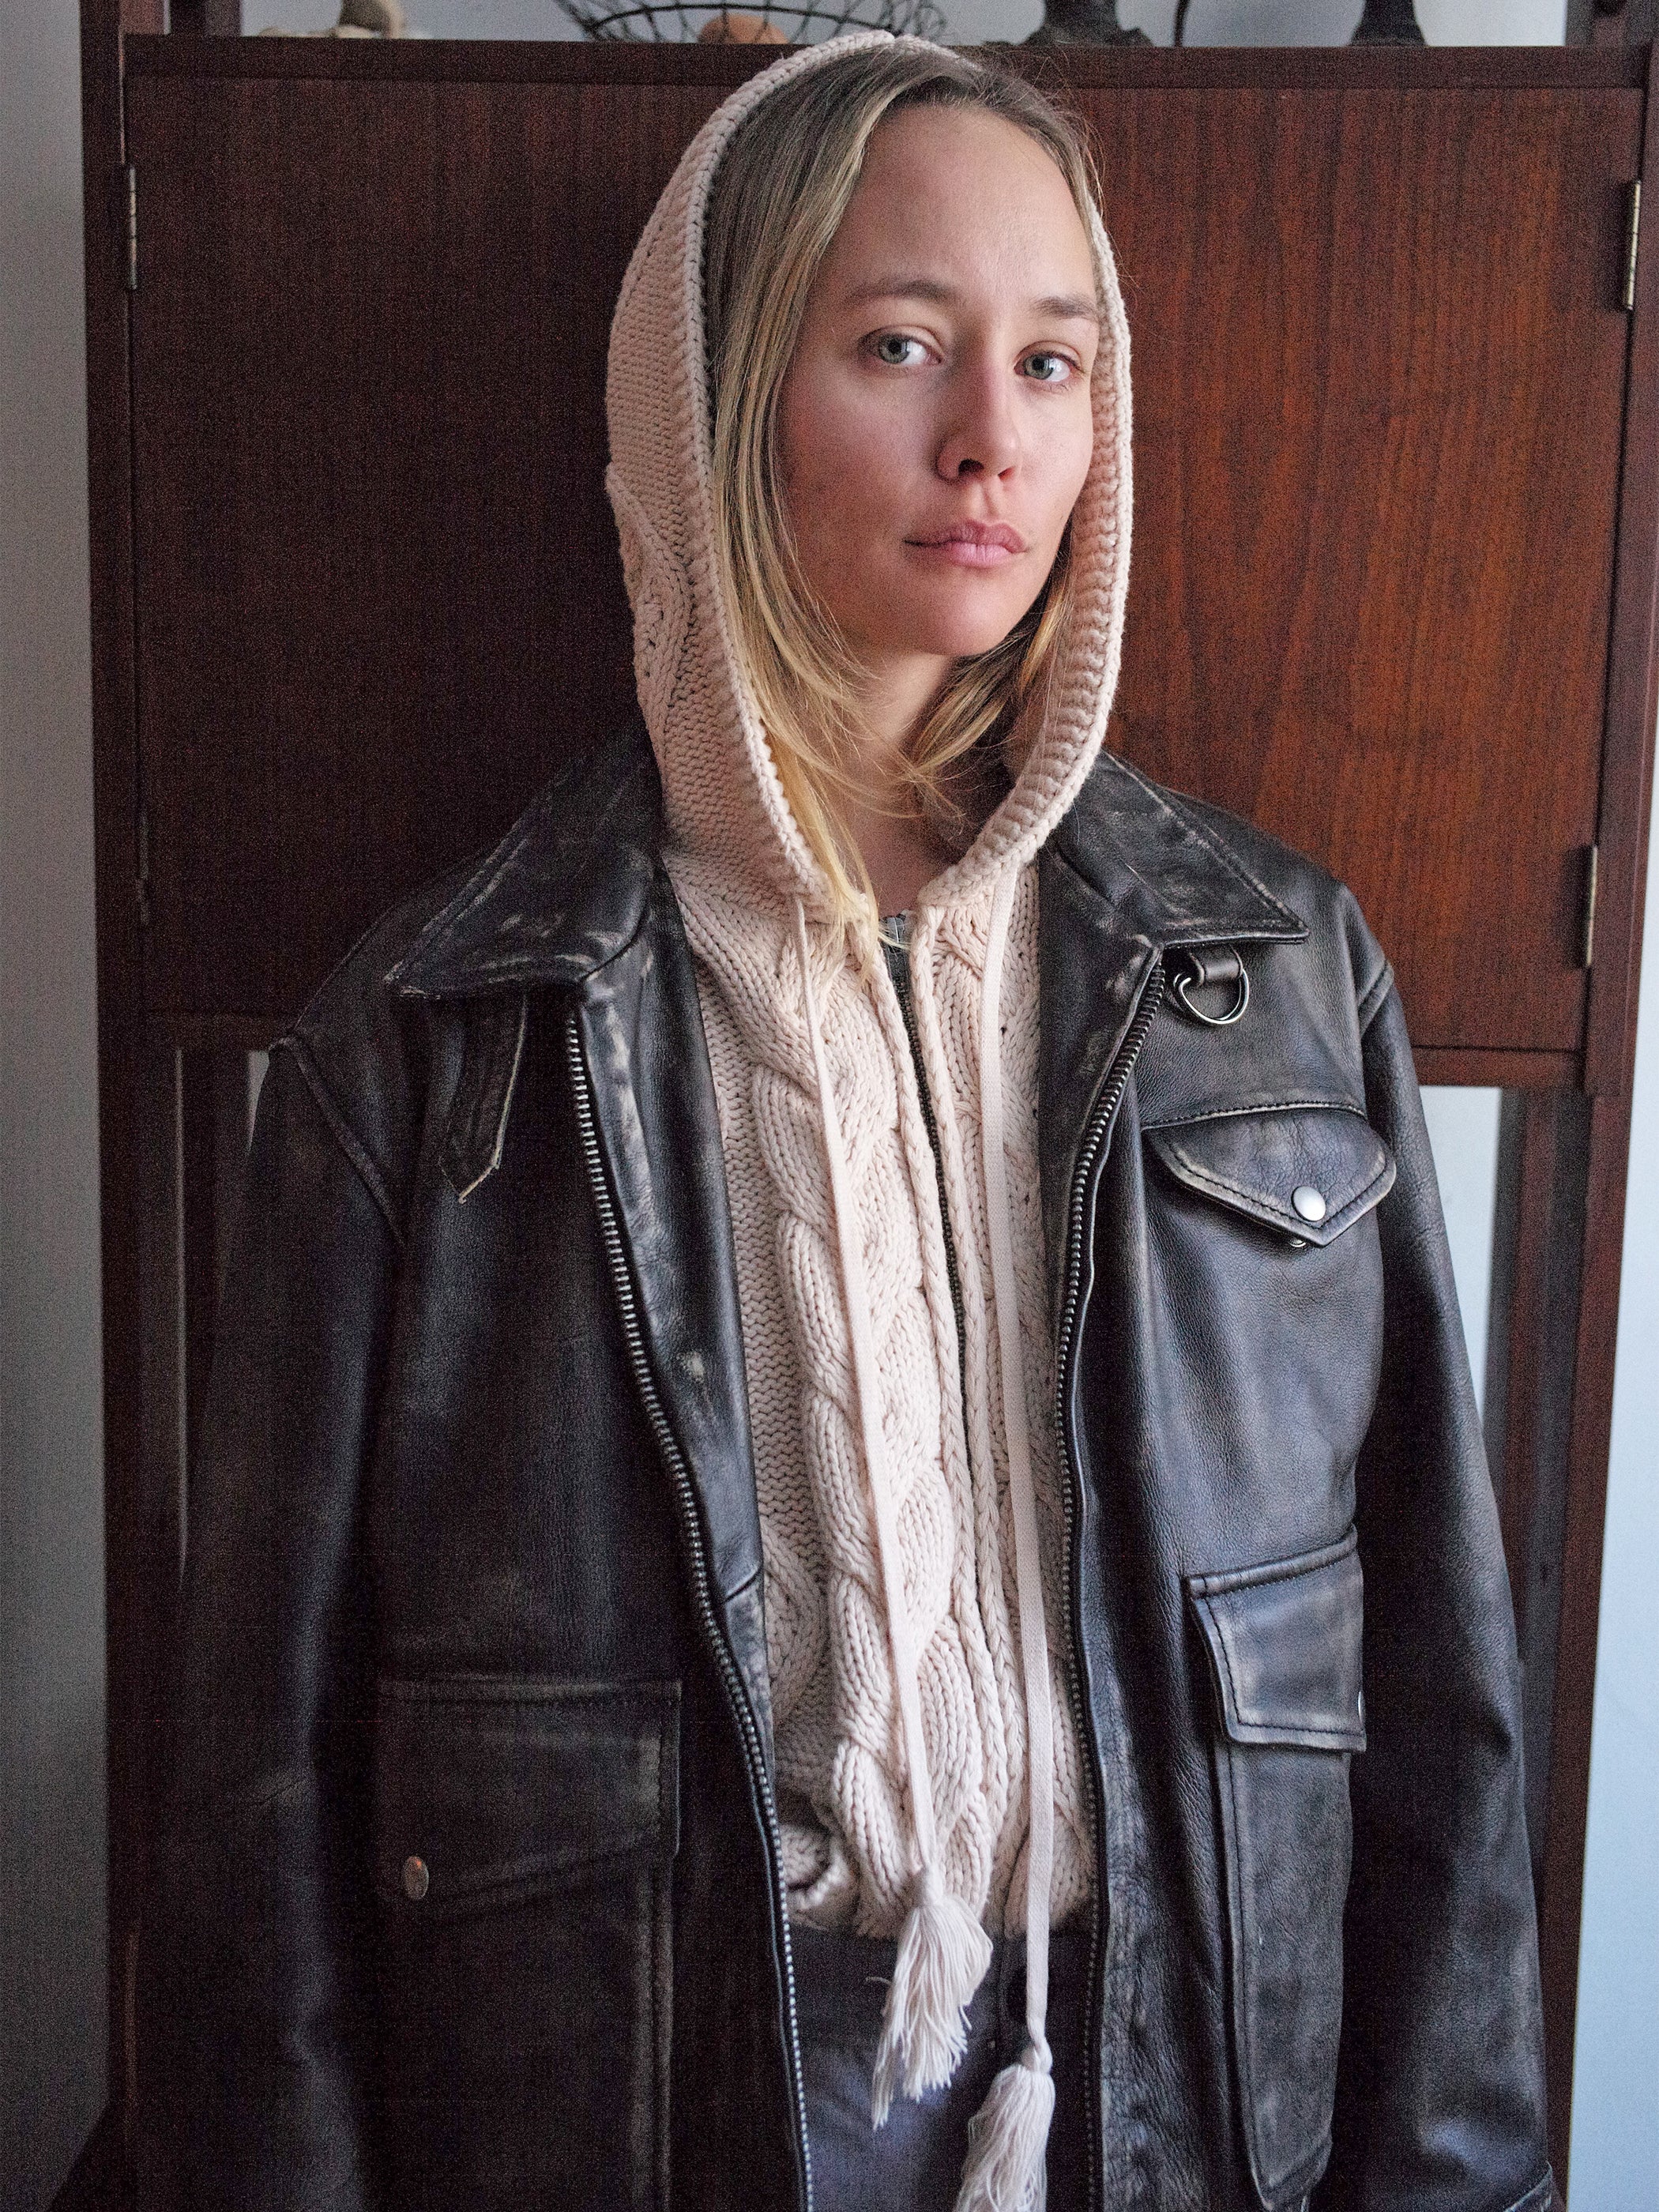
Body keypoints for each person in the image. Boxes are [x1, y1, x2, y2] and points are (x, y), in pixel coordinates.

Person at [152, 33, 1552, 2212]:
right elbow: (263, 1814)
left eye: (1057, 361)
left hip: (1168, 2077)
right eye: (898, 344)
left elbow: (1439, 1711)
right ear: (710, 399)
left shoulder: (1272, 978)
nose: (994, 440)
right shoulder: (441, 1039)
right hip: (657, 2103)